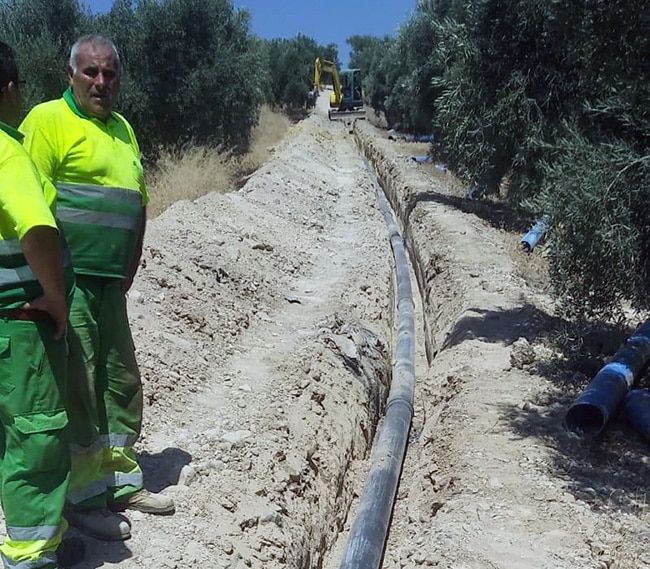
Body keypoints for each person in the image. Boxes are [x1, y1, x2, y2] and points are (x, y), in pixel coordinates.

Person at [20, 34, 174, 542]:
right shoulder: (46, 122)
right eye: (90, 72)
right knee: (81, 388)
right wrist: (45, 285)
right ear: (71, 75)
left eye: (109, 73)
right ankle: (85, 499)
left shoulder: (124, 129)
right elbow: (25, 208)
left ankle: (121, 479)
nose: (101, 82)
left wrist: (130, 264)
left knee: (120, 382)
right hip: (70, 284)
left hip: (111, 286)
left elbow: (138, 201)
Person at [0, 41, 84, 569]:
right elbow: (36, 227)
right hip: (22, 329)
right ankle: (32, 555)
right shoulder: (7, 151)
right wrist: (55, 298)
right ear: (10, 90)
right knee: (36, 444)